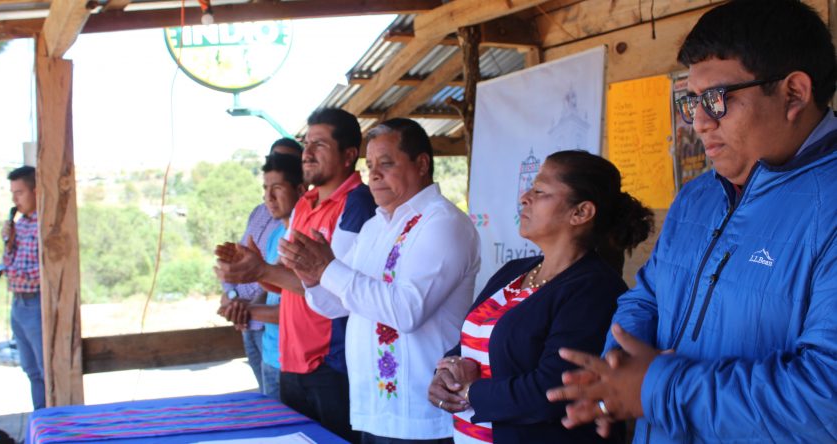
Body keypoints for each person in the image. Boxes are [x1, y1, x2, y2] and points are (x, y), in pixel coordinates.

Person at [545, 1, 837, 442]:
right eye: (691, 101)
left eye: (717, 100)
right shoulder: (698, 196)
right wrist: (615, 371)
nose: (699, 122)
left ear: (794, 93)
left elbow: (824, 400)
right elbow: (647, 298)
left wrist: (655, 387)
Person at [278, 118, 481, 443]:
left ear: (422, 164)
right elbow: (338, 305)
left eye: (386, 164)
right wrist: (312, 277)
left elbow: (407, 311)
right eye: (370, 165)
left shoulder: (442, 222)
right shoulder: (376, 225)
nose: (373, 174)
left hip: (421, 415)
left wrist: (328, 269)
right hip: (374, 411)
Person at [429, 150, 654, 443]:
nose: (524, 197)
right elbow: (471, 344)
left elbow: (552, 388)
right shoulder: (514, 271)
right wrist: (444, 371)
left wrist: (472, 391)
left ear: (581, 213)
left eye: (540, 191)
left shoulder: (595, 290)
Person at [215, 107, 377, 441]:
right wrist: (253, 270)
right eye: (306, 142)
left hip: (331, 362)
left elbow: (335, 292)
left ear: (349, 155)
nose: (308, 152)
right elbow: (293, 278)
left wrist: (262, 269)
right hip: (292, 357)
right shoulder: (306, 203)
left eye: (320, 144)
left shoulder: (356, 204)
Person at [217, 137, 303, 391]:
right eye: (266, 188)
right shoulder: (261, 214)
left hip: (280, 341)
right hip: (258, 333)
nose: (270, 196)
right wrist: (232, 297)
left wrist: (246, 309)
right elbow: (240, 262)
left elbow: (300, 298)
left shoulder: (303, 231)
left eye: (277, 186)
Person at [0, 166, 46, 410]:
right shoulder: (22, 223)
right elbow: (15, 262)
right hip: (18, 302)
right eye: (12, 194)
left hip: (36, 302)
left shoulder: (45, 226)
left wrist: (1, 270)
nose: (15, 199)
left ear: (36, 191)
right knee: (31, 370)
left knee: (44, 370)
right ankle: (40, 420)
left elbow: (39, 273)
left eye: (20, 193)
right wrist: (9, 241)